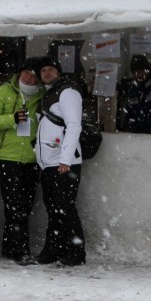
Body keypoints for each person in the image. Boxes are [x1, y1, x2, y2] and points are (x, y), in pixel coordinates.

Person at [0, 58, 45, 265]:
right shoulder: (5, 91)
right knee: (15, 206)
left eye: (34, 75)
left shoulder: (42, 95)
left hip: (33, 159)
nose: (30, 78)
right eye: (26, 73)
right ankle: (20, 251)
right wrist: (11, 119)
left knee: (24, 207)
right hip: (8, 158)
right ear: (19, 73)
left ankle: (10, 247)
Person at [34, 56, 86, 267]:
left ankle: (75, 252)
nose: (46, 73)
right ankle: (54, 249)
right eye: (43, 70)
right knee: (54, 208)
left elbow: (74, 126)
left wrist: (65, 159)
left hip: (65, 162)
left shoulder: (68, 92)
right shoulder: (48, 95)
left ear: (59, 72)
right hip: (49, 163)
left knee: (65, 207)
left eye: (50, 69)